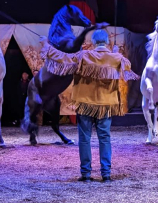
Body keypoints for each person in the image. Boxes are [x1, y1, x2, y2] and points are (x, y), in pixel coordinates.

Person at [41, 29, 137, 182]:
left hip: (85, 104)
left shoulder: (84, 56)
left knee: (84, 138)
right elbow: (125, 67)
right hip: (105, 105)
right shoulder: (115, 58)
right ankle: (106, 174)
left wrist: (46, 45)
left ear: (92, 42)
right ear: (106, 42)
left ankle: (86, 174)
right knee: (104, 138)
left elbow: (63, 58)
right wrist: (115, 53)